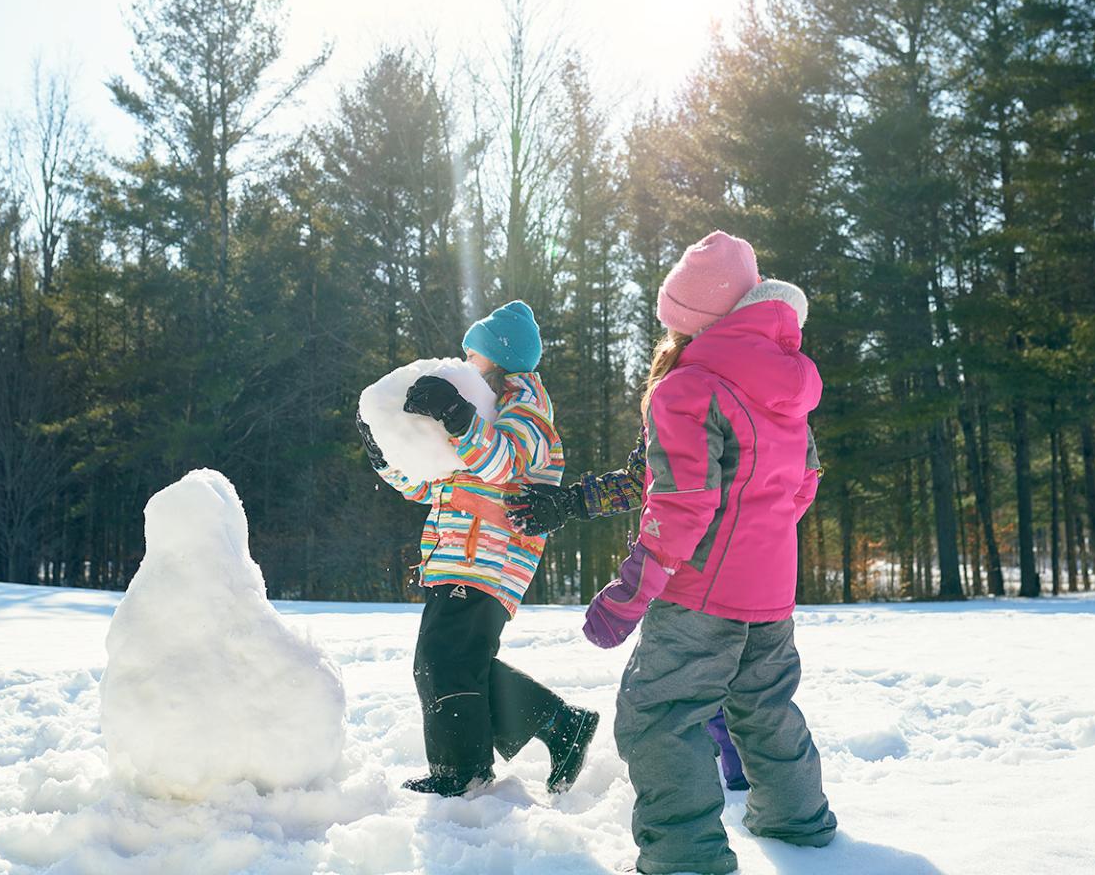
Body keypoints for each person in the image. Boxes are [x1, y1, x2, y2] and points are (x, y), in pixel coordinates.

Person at [583, 231, 836, 875]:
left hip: (698, 593)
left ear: (688, 321)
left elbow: (682, 503)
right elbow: (802, 485)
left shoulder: (689, 388)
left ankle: (685, 859)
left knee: (659, 716)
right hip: (771, 591)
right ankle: (797, 823)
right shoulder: (787, 387)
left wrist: (631, 590)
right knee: (765, 706)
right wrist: (758, 543)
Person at [357, 300, 598, 797]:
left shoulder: (528, 409)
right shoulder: (483, 415)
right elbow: (433, 487)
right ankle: (559, 725)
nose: (465, 365)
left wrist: (457, 416)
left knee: (442, 661)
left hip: (492, 559)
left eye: (473, 357)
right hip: (458, 556)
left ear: (500, 358)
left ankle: (461, 773)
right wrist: (386, 457)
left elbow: (505, 464)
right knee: (456, 662)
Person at [508, 428, 751, 792]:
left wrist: (639, 580)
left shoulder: (682, 388)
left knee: (665, 692)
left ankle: (697, 800)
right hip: (756, 563)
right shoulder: (774, 390)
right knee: (735, 684)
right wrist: (572, 502)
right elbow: (645, 476)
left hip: (696, 566)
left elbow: (669, 484)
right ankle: (750, 785)